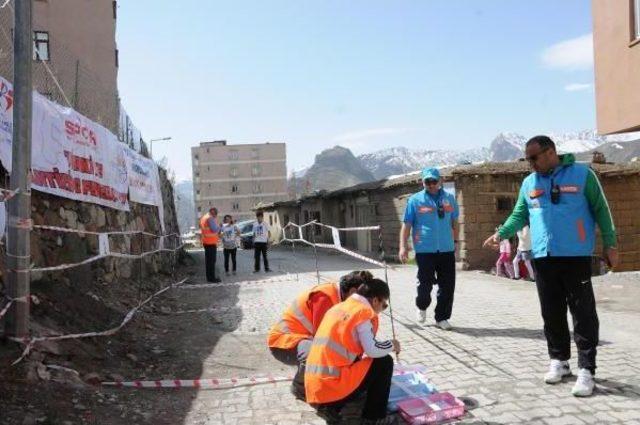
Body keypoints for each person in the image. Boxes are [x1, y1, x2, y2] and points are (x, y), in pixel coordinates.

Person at [483, 135, 618, 397]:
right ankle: (559, 360)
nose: (530, 163)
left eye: (534, 158)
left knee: (583, 313)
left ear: (550, 152)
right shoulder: (529, 182)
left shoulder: (582, 174)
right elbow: (519, 214)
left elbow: (602, 209)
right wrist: (501, 234)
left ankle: (587, 370)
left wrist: (610, 244)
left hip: (576, 255)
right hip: (543, 256)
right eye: (527, 159)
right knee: (551, 311)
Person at [305, 278, 400, 425]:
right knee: (384, 362)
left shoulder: (339, 307)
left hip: (315, 387)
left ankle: (335, 405)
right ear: (375, 300)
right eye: (385, 305)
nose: (383, 309)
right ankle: (374, 418)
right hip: (331, 387)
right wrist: (392, 345)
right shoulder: (362, 312)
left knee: (367, 363)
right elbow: (373, 350)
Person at [267, 270, 374, 401]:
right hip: (283, 342)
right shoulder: (324, 297)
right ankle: (300, 388)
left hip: (300, 340)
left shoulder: (341, 299)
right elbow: (323, 340)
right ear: (352, 292)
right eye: (363, 298)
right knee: (316, 354)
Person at [398, 167, 459, 330]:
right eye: (427, 182)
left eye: (434, 181)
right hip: (425, 249)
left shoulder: (450, 199)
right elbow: (407, 225)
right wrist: (403, 247)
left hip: (446, 249)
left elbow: (455, 223)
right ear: (422, 182)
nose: (431, 184)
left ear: (440, 181)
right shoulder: (415, 200)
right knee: (425, 285)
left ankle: (442, 317)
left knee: (448, 285)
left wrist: (456, 243)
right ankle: (422, 306)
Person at [199, 207, 221, 283]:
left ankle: (209, 277)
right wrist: (220, 226)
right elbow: (214, 229)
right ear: (213, 213)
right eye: (215, 214)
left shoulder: (203, 218)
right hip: (211, 243)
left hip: (206, 242)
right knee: (211, 261)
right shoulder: (210, 218)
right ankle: (212, 278)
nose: (215, 216)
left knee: (208, 261)